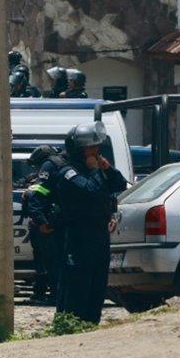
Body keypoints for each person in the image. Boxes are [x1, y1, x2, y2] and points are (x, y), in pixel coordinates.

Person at [50, 122, 128, 324]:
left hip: (99, 232)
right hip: (78, 233)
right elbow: (89, 192)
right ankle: (72, 322)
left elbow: (120, 185)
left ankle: (92, 322)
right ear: (80, 150)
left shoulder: (94, 168)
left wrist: (107, 169)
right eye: (92, 148)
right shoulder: (68, 172)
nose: (97, 151)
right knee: (78, 280)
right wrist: (95, 171)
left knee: (97, 280)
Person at [21, 144, 63, 304]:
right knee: (43, 261)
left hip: (47, 222)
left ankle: (54, 295)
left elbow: (40, 194)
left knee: (51, 261)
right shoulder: (57, 168)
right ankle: (41, 292)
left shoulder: (49, 168)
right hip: (46, 221)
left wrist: (40, 219)